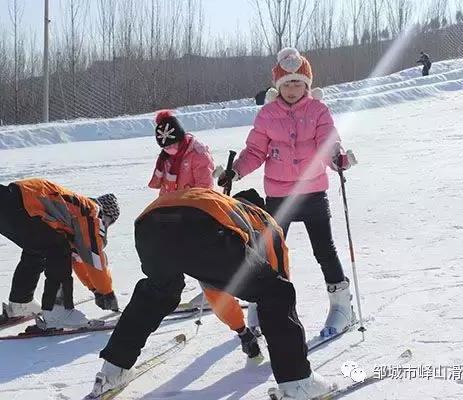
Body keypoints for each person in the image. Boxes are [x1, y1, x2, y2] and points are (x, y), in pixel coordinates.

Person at [84, 188, 333, 400]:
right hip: (200, 224)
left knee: (158, 293)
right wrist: (252, 331)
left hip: (149, 224)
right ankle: (297, 382)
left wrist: (241, 329)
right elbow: (277, 282)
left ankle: (112, 370)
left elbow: (214, 285)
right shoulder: (265, 220)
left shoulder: (222, 203)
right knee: (277, 292)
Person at [217, 47, 357, 338]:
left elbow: (328, 142)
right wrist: (237, 171)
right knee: (269, 253)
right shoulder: (268, 115)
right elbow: (255, 150)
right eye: (287, 83)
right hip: (279, 196)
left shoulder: (318, 110)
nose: (293, 89)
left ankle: (342, 305)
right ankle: (263, 303)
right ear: (277, 86)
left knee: (324, 250)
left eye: (298, 83)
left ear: (307, 84)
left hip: (313, 193)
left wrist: (337, 159)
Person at [149, 110, 260, 358]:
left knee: (213, 272)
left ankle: (240, 321)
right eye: (165, 148)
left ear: (181, 138)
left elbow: (204, 189)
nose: (170, 151)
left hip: (199, 219)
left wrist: (190, 211)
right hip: (175, 220)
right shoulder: (165, 158)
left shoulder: (198, 153)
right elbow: (165, 192)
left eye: (174, 145)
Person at [0, 178, 120, 329]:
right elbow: (92, 254)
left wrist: (95, 288)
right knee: (58, 248)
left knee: (37, 250)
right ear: (107, 216)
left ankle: (21, 303)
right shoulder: (91, 212)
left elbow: (77, 258)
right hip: (19, 205)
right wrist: (106, 292)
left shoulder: (70, 211)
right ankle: (58, 312)